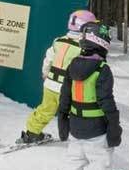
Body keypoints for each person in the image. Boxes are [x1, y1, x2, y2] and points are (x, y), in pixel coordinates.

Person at [51, 20, 122, 170]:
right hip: (97, 128)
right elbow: (106, 101)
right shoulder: (102, 70)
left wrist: (62, 120)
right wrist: (114, 125)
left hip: (75, 125)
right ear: (103, 43)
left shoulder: (72, 65)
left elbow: (64, 96)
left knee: (75, 157)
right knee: (100, 160)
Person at [18, 9, 96, 144]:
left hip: (50, 84)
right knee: (76, 112)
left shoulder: (58, 41)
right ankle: (79, 137)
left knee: (46, 109)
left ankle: (32, 133)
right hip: (68, 88)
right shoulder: (84, 48)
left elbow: (48, 59)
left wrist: (45, 73)